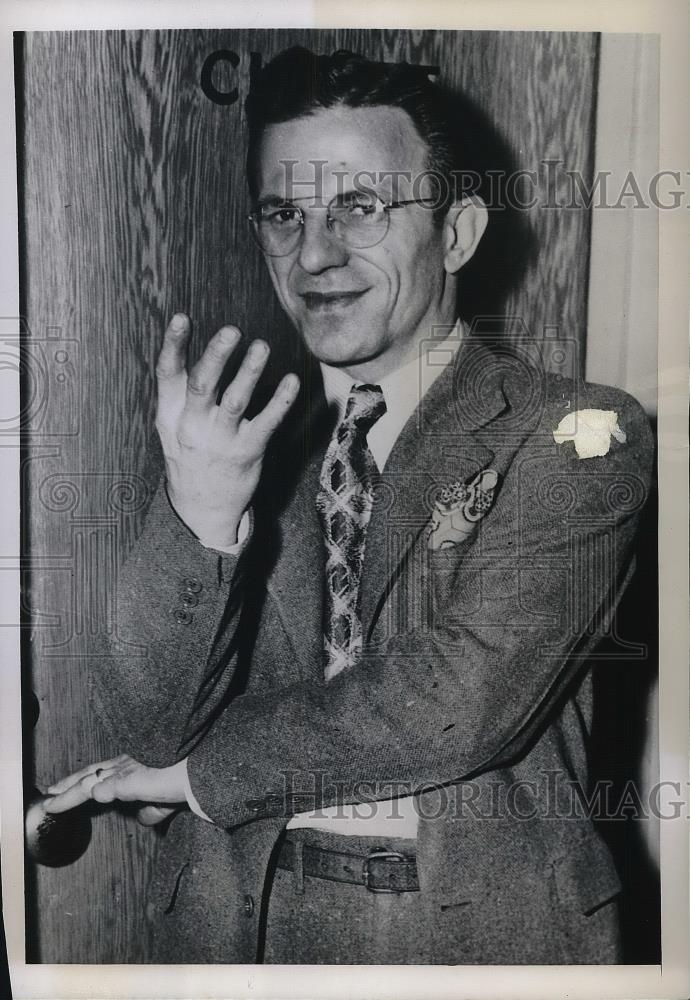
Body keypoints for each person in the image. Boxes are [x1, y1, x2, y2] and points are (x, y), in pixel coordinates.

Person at [45, 47, 654, 964]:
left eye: (360, 207)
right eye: (285, 213)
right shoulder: (240, 443)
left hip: (475, 942)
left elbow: (460, 697)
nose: (316, 253)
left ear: (456, 233)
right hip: (233, 935)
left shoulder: (577, 433)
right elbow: (153, 730)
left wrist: (203, 774)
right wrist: (201, 511)